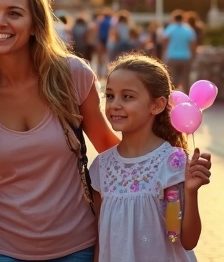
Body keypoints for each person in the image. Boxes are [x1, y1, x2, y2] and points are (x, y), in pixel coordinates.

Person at [0, 0, 130, 261]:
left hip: (76, 245)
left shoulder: (72, 76)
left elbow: (109, 147)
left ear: (36, 25)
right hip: (1, 248)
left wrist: (165, 166)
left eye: (14, 13)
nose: (0, 22)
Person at [90, 54, 212, 261]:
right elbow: (101, 239)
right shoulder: (101, 166)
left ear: (157, 105)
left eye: (127, 96)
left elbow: (186, 241)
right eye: (109, 96)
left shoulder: (173, 162)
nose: (115, 104)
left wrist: (191, 192)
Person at [162, 12, 197, 91]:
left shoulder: (171, 28)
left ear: (174, 19)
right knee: (186, 79)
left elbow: (164, 40)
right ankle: (187, 97)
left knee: (173, 79)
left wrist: (165, 51)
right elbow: (193, 43)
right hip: (185, 57)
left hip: (173, 56)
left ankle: (173, 97)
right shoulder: (188, 29)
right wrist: (193, 55)